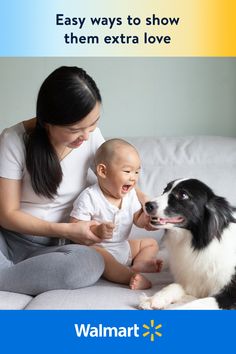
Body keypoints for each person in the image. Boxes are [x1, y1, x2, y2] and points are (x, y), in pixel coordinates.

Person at [0, 66, 109, 295]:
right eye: (74, 129)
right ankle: (18, 276)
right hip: (9, 240)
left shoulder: (90, 137)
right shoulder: (13, 140)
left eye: (93, 123)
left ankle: (11, 277)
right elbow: (7, 215)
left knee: (90, 263)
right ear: (47, 121)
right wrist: (66, 229)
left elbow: (117, 175)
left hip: (54, 251)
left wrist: (144, 202)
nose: (86, 135)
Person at [70, 139, 162, 290]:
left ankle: (141, 263)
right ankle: (130, 276)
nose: (133, 178)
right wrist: (96, 231)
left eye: (137, 172)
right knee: (100, 255)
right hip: (100, 250)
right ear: (103, 171)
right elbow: (75, 227)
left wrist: (147, 221)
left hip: (123, 247)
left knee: (150, 243)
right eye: (127, 171)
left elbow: (137, 218)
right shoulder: (89, 197)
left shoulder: (131, 195)